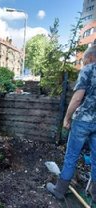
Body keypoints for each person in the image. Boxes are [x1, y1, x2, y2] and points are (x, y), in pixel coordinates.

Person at [47, 45, 96, 202]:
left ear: (89, 58)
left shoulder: (89, 70)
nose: (82, 64)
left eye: (83, 61)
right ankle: (94, 194)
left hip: (83, 121)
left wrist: (67, 118)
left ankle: (59, 190)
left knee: (71, 156)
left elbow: (76, 98)